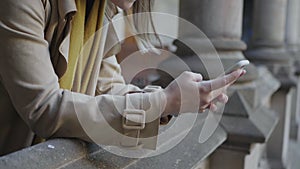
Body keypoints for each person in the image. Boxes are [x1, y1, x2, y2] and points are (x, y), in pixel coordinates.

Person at [0, 0, 245, 156]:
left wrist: (169, 102)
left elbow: (109, 90)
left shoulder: (98, 11)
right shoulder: (22, 3)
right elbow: (45, 108)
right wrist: (165, 101)